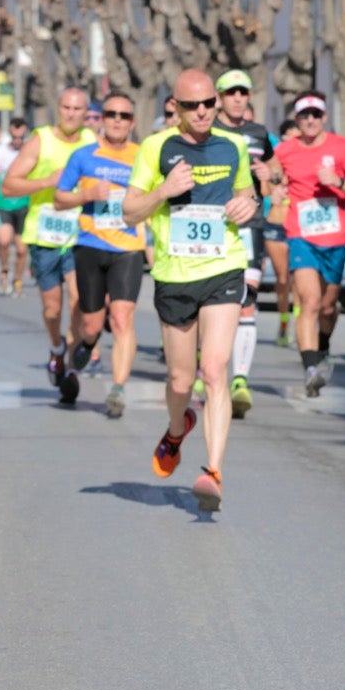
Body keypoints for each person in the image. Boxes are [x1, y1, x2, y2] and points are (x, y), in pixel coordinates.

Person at [122, 69, 258, 512]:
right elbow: (129, 212)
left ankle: (213, 470)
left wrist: (247, 206)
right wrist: (165, 188)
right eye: (191, 106)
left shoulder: (232, 145)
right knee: (181, 378)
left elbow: (249, 197)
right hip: (174, 274)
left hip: (224, 266)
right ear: (176, 109)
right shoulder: (155, 148)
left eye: (208, 105)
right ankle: (177, 428)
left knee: (215, 370)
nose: (202, 112)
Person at [53, 92, 146, 419]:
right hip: (91, 245)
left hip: (129, 248)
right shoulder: (84, 155)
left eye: (124, 115)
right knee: (90, 325)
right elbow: (59, 198)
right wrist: (88, 194)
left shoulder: (144, 156)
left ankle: (118, 388)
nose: (117, 120)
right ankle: (87, 346)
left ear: (132, 122)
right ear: (102, 119)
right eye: (111, 114)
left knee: (122, 318)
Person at [3, 88, 98, 405]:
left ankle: (71, 366)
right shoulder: (41, 139)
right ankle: (56, 346)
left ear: (86, 113)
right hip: (44, 235)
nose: (71, 113)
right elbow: (10, 184)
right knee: (52, 308)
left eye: (78, 108)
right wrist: (47, 181)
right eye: (66, 107)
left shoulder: (92, 142)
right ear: (58, 109)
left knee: (80, 300)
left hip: (80, 235)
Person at [272, 93, 345, 396]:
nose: (310, 120)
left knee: (327, 307)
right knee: (309, 301)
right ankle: (310, 366)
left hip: (335, 239)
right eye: (304, 115)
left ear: (324, 117)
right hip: (300, 235)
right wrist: (274, 186)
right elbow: (271, 175)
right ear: (297, 120)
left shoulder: (341, 147)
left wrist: (337, 182)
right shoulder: (286, 149)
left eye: (315, 114)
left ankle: (322, 345)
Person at [214, 69, 276, 419]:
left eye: (243, 93)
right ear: (220, 96)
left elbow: (275, 166)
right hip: (214, 223)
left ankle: (239, 380)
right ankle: (203, 367)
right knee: (211, 298)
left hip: (250, 223)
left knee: (246, 299)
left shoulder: (259, 133)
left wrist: (272, 174)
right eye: (231, 92)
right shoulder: (210, 131)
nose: (238, 98)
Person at [265, 117, 298, 347]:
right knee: (283, 278)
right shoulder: (275, 163)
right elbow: (265, 189)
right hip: (276, 226)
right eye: (288, 138)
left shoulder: (307, 164)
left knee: (300, 279)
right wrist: (274, 184)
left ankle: (300, 324)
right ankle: (284, 321)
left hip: (298, 226)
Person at [0, 118, 32, 296]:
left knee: (22, 249)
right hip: (3, 204)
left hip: (24, 205)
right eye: (14, 136)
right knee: (4, 241)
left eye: (21, 137)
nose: (17, 140)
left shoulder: (31, 152)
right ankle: (4, 272)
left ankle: (18, 280)